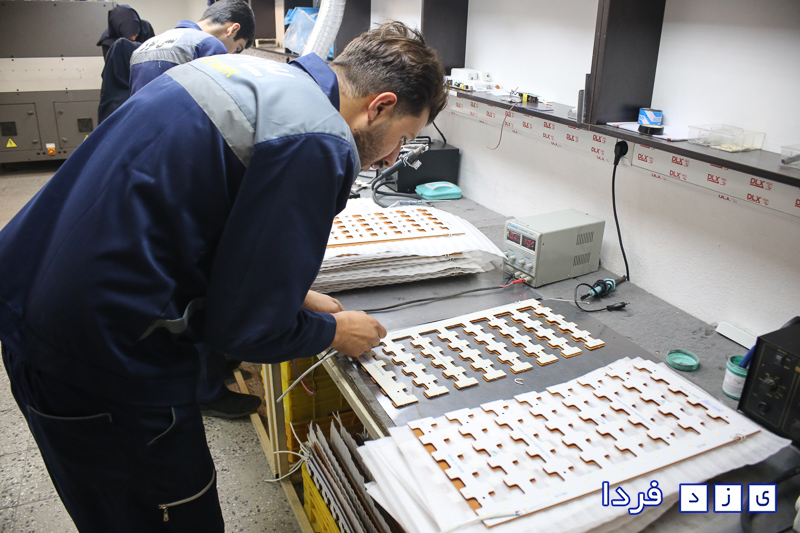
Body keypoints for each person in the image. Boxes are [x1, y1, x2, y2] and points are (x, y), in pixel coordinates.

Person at [0, 21, 446, 532]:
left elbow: (191, 210)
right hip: (106, 359)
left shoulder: (235, 72)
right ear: (381, 105)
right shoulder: (317, 139)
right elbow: (246, 332)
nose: (390, 159)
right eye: (402, 140)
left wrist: (292, 293)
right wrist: (334, 332)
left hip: (33, 301)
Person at [129, 0, 255, 95]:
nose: (231, 54)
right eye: (237, 48)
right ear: (233, 29)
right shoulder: (208, 45)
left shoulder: (146, 44)